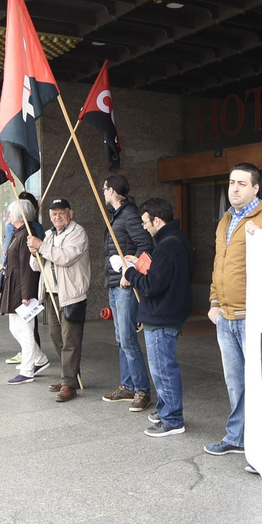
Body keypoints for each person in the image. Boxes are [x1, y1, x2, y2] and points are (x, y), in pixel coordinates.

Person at [205, 162, 262, 455]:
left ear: (255, 188)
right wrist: (214, 302)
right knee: (235, 383)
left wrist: (261, 239)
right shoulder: (225, 220)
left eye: (241, 183)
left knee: (261, 384)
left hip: (254, 316)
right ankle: (237, 437)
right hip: (225, 316)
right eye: (231, 183)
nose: (234, 188)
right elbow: (219, 265)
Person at [122, 196, 192, 436]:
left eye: (145, 222)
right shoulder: (177, 240)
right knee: (163, 367)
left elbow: (152, 286)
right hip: (168, 312)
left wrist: (131, 273)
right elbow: (163, 275)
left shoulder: (165, 246)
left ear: (158, 220)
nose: (144, 227)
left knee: (162, 369)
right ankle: (166, 409)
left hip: (161, 315)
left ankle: (172, 419)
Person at [98, 174, 155, 410]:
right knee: (121, 338)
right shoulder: (117, 214)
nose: (103, 192)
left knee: (128, 338)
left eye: (104, 189)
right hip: (114, 283)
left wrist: (128, 272)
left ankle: (142, 390)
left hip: (125, 284)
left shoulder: (129, 214)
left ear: (112, 191)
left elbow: (145, 245)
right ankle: (127, 385)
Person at [34, 198, 91, 402]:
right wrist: (35, 252)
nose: (57, 217)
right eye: (53, 214)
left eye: (61, 213)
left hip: (71, 294)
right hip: (51, 292)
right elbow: (36, 266)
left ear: (70, 213)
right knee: (55, 336)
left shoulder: (77, 232)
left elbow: (66, 257)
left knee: (71, 340)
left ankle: (69, 383)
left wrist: (41, 246)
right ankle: (69, 376)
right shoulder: (48, 235)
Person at [0, 197, 48, 383]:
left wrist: (27, 294)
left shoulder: (27, 235)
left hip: (22, 289)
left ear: (19, 215)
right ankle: (39, 358)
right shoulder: (18, 233)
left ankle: (27, 371)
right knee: (15, 327)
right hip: (14, 286)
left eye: (11, 212)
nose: (9, 215)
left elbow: (28, 268)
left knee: (26, 330)